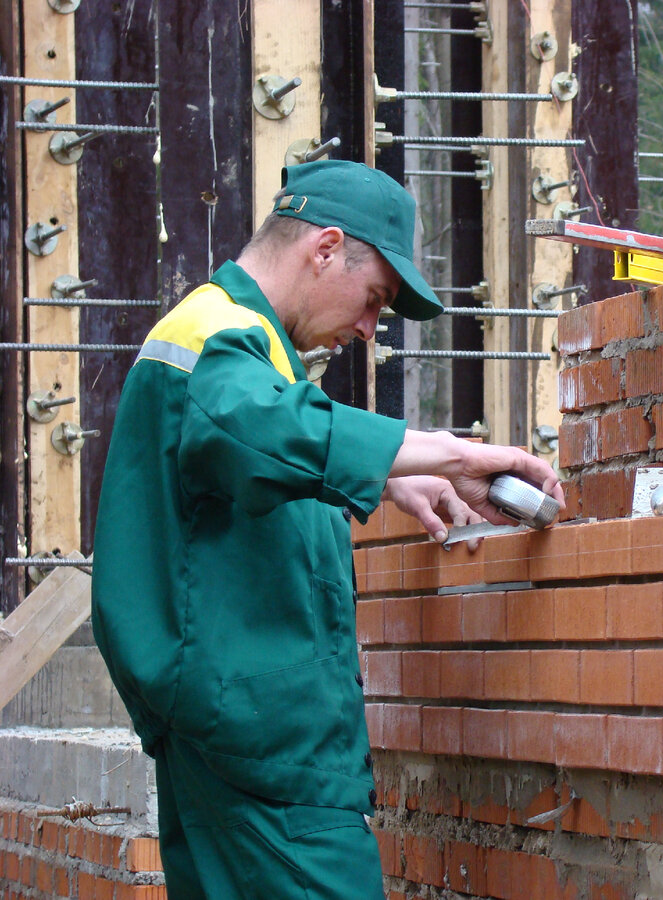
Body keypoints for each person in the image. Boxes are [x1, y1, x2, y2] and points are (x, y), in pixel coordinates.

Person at [91, 159, 564, 899]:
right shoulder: (220, 334)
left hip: (238, 744)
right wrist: (459, 453)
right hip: (265, 760)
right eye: (374, 297)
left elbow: (248, 459)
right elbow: (265, 429)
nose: (370, 328)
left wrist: (390, 475)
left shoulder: (249, 349)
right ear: (324, 248)